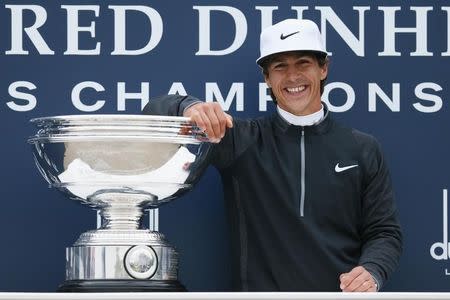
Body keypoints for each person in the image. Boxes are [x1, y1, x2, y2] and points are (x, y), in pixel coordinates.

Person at [144, 19, 402, 292]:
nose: (292, 77)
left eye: (303, 63)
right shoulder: (240, 140)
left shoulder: (363, 148)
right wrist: (189, 107)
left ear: (323, 68)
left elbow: (384, 232)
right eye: (280, 66)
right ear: (267, 77)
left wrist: (373, 270)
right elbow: (153, 112)